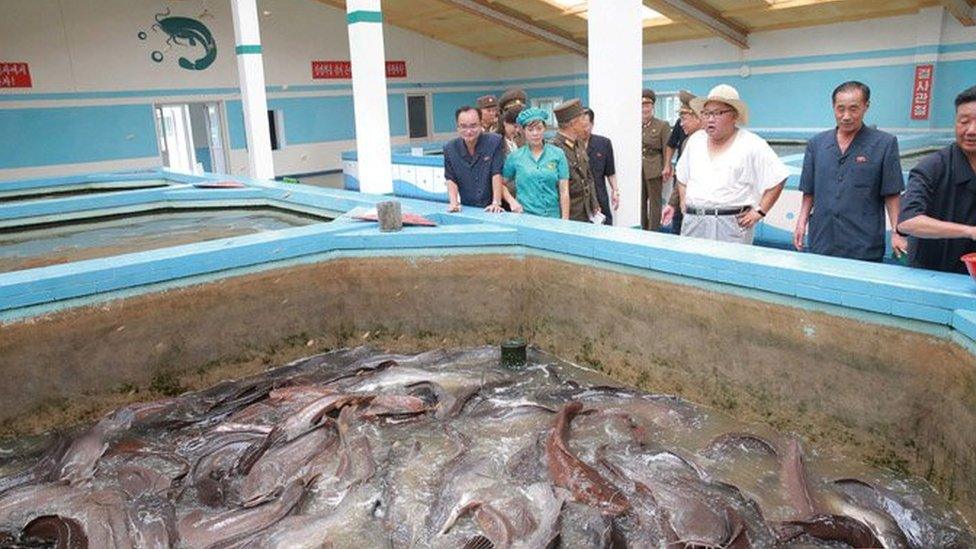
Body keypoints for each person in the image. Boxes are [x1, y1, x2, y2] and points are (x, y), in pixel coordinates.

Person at [793, 81, 906, 262]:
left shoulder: (884, 144)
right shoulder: (817, 144)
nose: (846, 116)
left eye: (853, 109)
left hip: (863, 239)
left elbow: (892, 194)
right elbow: (809, 191)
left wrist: (897, 232)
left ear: (866, 107)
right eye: (840, 109)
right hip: (823, 236)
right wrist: (801, 223)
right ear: (833, 107)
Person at [675, 84, 789, 244]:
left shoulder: (752, 144)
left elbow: (778, 177)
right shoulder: (695, 141)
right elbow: (682, 176)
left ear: (734, 116)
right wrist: (683, 200)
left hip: (731, 225)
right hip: (694, 223)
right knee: (690, 267)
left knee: (728, 268)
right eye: (706, 113)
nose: (710, 119)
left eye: (717, 113)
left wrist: (760, 211)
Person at [897, 85, 976, 273]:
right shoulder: (932, 166)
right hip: (933, 271)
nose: (971, 130)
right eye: (964, 121)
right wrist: (970, 231)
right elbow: (908, 221)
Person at [502, 107, 569, 219]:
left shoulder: (558, 154)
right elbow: (501, 183)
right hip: (525, 217)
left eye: (539, 128)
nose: (535, 133)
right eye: (530, 129)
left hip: (552, 217)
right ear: (523, 131)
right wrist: (511, 201)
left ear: (545, 129)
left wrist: (565, 221)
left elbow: (564, 191)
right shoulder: (515, 157)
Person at [442, 106, 505, 213]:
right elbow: (450, 178)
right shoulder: (450, 148)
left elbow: (496, 173)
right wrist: (453, 202)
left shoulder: (494, 142)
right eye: (463, 127)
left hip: (491, 205)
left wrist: (496, 202)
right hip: (468, 207)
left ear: (481, 124)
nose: (469, 131)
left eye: (473, 126)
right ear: (457, 127)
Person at [551, 99, 601, 223]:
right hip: (570, 211)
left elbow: (588, 176)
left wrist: (594, 204)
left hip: (586, 209)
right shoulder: (554, 148)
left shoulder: (578, 143)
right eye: (581, 119)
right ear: (572, 124)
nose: (584, 123)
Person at [661, 93, 702, 229]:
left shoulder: (706, 142)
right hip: (684, 199)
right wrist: (673, 203)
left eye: (684, 119)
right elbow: (682, 178)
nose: (681, 124)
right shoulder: (688, 142)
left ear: (698, 118)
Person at [581, 107, 619, 225]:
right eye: (580, 125)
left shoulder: (603, 143)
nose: (583, 129)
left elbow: (610, 172)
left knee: (605, 227)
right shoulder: (572, 145)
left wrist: (615, 191)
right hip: (579, 199)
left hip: (599, 194)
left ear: (592, 124)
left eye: (586, 125)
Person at [641, 89, 672, 230]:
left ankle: (653, 231)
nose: (644, 109)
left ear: (652, 106)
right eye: (641, 105)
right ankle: (641, 229)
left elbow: (667, 148)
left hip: (654, 167)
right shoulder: (635, 126)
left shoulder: (662, 125)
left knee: (654, 203)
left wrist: (667, 167)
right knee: (640, 202)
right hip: (638, 169)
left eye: (647, 105)